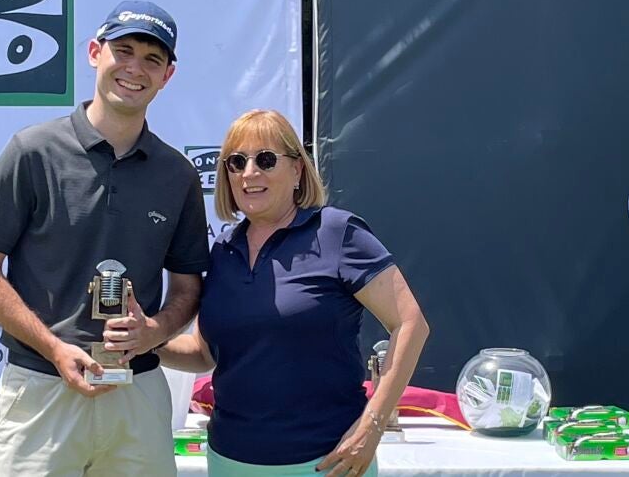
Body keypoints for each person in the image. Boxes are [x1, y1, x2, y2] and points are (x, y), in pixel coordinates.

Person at [0, 0, 210, 477]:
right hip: (42, 387)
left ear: (167, 76)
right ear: (96, 53)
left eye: (152, 59)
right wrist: (54, 348)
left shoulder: (177, 174)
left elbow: (187, 288)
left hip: (137, 393)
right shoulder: (33, 151)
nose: (135, 68)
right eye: (123, 51)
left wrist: (154, 331)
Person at [159, 109, 430, 477]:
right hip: (229, 462)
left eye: (265, 159)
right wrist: (146, 340)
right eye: (237, 162)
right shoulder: (223, 251)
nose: (249, 172)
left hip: (327, 464)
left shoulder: (336, 233)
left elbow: (410, 323)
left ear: (298, 169)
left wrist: (372, 426)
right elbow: (205, 354)